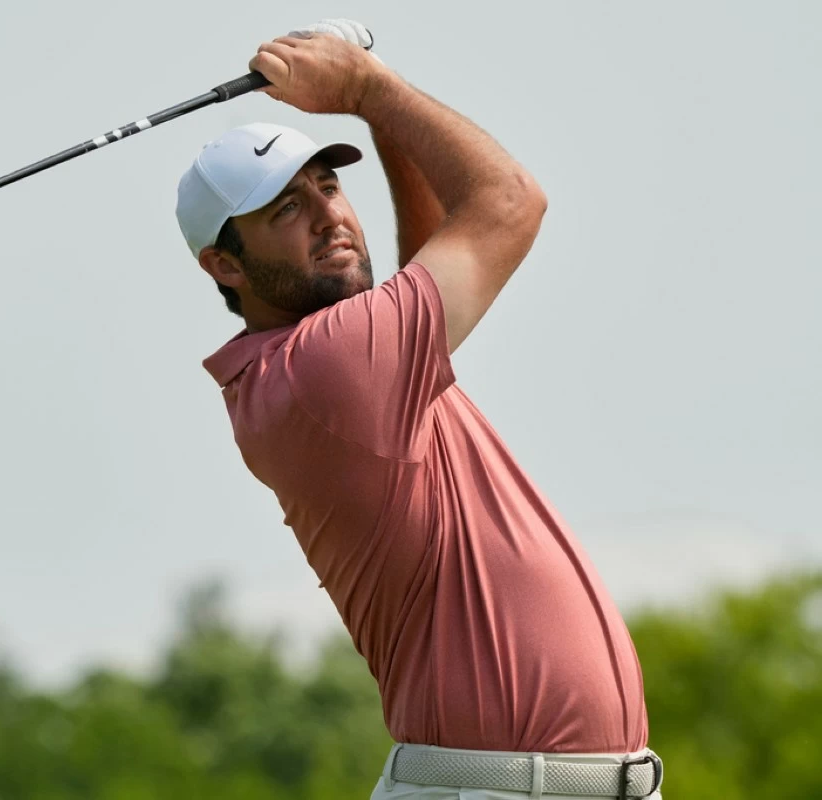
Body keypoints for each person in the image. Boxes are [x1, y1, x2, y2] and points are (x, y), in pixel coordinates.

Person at [174, 19, 663, 800]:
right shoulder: (325, 369)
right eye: (285, 211)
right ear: (224, 265)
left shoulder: (323, 366)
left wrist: (373, 109)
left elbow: (435, 245)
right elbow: (508, 202)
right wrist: (368, 88)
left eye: (328, 187)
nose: (329, 215)